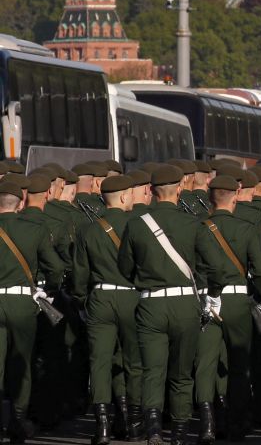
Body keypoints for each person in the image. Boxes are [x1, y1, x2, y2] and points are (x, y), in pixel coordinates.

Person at [116, 164, 221, 445]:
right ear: (180, 189)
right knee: (182, 374)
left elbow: (124, 268)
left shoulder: (137, 225)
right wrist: (213, 294)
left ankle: (152, 430)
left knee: (153, 371)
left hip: (151, 304)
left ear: (151, 191)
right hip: (186, 304)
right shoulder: (193, 223)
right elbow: (215, 267)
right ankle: (178, 433)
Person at [192, 175, 261, 444]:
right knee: (238, 364)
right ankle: (236, 422)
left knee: (205, 364)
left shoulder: (198, 228)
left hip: (205, 300)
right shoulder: (247, 229)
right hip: (237, 301)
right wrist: (260, 297)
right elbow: (260, 271)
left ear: (210, 197)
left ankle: (207, 424)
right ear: (235, 196)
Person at [72, 174, 142, 445]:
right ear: (125, 196)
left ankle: (101, 425)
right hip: (132, 297)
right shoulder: (137, 226)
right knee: (132, 363)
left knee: (99, 362)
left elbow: (80, 276)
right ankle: (131, 421)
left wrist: (81, 299)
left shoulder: (88, 230)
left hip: (100, 298)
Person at [0, 177, 65, 444]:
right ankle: (17, 418)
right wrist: (46, 290)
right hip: (22, 302)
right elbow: (57, 268)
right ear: (21, 203)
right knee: (22, 362)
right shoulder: (33, 230)